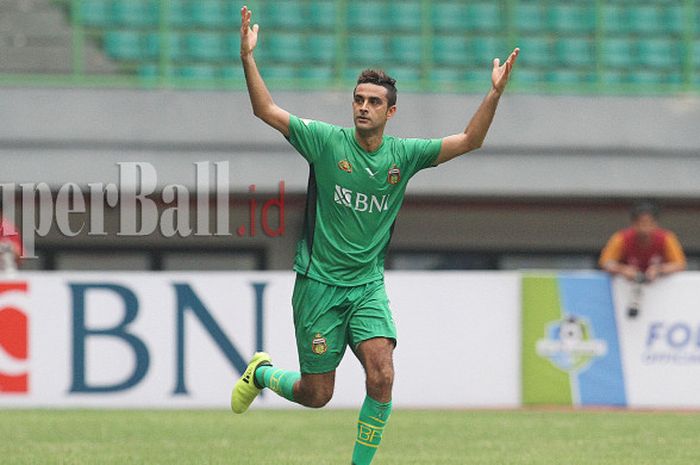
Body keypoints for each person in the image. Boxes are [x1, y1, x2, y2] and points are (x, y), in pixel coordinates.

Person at [231, 6, 519, 464]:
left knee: (382, 375)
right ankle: (263, 374)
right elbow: (264, 109)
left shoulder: (403, 156)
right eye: (358, 99)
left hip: (366, 286)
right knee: (316, 394)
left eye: (373, 101)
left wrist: (494, 93)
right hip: (319, 285)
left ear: (391, 111)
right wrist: (248, 57)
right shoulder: (325, 141)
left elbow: (469, 140)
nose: (363, 107)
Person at [599, 201, 686, 317]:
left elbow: (680, 264)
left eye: (649, 223)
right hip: (624, 294)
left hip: (660, 297)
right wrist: (622, 269)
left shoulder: (666, 238)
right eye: (641, 223)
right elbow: (605, 262)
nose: (645, 228)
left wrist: (659, 270)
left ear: (656, 224)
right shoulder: (621, 238)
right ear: (633, 224)